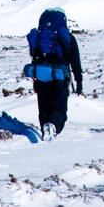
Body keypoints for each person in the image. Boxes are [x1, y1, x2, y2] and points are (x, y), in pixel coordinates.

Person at [25, 8, 83, 140]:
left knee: (44, 108)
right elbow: (75, 61)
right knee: (59, 110)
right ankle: (53, 127)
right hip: (59, 77)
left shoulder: (40, 37)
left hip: (40, 77)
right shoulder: (68, 38)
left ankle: (45, 131)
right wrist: (79, 81)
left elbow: (34, 55)